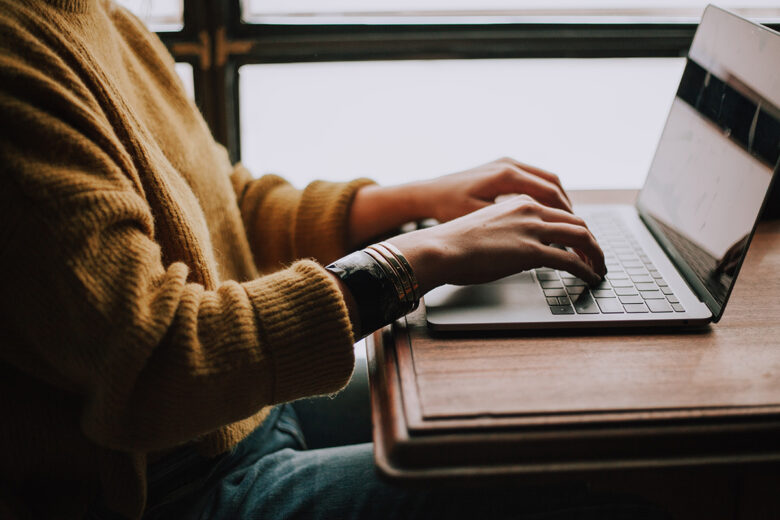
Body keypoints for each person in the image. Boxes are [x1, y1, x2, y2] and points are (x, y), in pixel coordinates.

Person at [0, 1, 670, 519]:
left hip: (239, 416)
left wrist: (410, 200)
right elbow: (157, 363)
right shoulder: (16, 60)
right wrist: (412, 260)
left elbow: (215, 204)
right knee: (577, 485)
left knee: (549, 412)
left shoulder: (95, 16)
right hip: (172, 490)